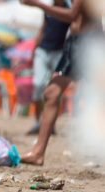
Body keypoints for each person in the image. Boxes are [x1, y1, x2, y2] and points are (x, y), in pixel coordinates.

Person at [20, 0, 104, 165]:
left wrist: (37, 5)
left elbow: (72, 15)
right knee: (51, 93)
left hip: (88, 43)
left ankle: (38, 152)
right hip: (74, 43)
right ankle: (38, 153)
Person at [27, 0, 70, 135]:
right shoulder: (48, 10)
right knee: (38, 84)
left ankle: (50, 124)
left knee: (55, 91)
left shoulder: (69, 10)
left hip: (58, 52)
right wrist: (33, 50)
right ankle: (37, 122)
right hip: (43, 50)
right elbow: (42, 29)